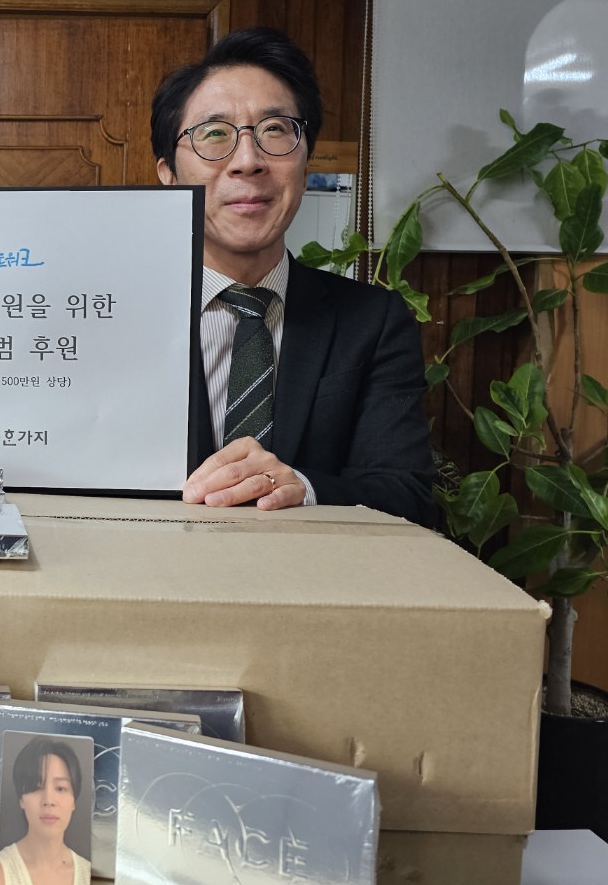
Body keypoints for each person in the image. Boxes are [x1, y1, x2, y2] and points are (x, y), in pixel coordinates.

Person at [152, 27, 435, 526]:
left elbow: (407, 493)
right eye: (214, 134)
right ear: (170, 176)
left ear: (305, 170)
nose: (248, 162)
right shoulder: (115, 314)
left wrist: (303, 488)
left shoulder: (371, 321)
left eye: (275, 130)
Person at [0, 737, 91, 885]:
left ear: (74, 801)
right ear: (21, 800)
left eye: (60, 788)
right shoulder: (1, 871)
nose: (49, 800)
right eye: (37, 787)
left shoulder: (88, 874)